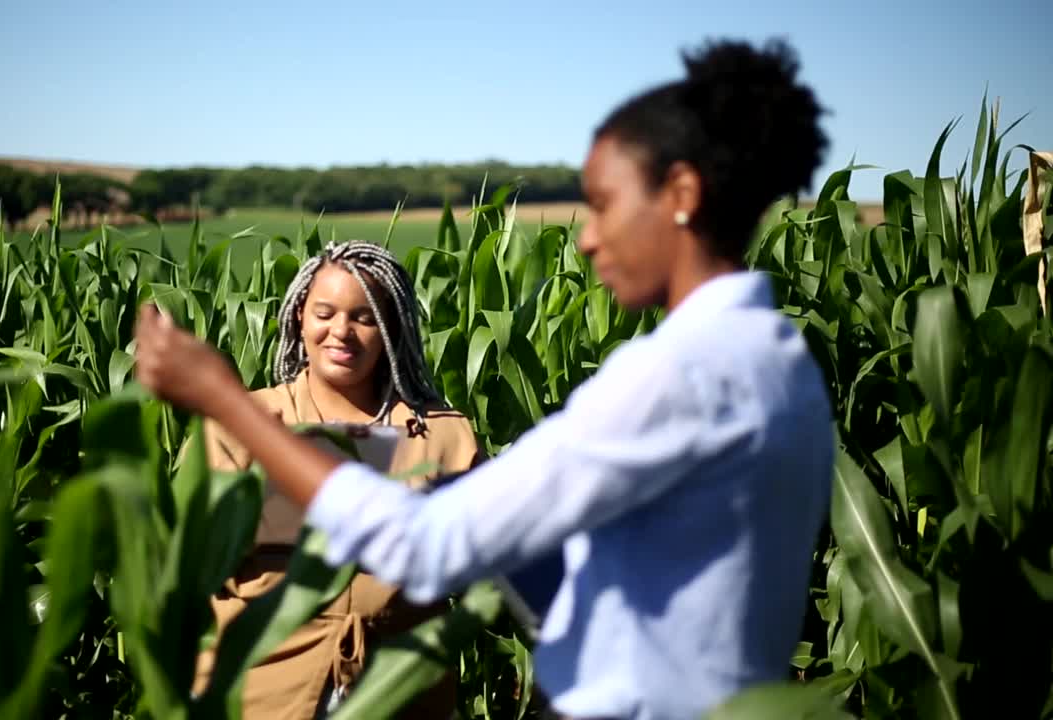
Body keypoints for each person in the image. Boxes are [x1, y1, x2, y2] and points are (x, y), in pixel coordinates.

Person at [136, 37, 835, 720]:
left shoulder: (679, 374)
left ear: (681, 193)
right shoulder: (778, 361)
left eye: (601, 203)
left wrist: (222, 397)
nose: (588, 237)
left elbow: (423, 546)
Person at [186, 240, 481, 720]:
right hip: (264, 688)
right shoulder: (245, 422)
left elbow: (483, 567)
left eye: (364, 318)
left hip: (401, 690)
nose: (341, 332)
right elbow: (193, 559)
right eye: (325, 313)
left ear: (392, 329)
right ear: (300, 315)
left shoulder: (443, 434)